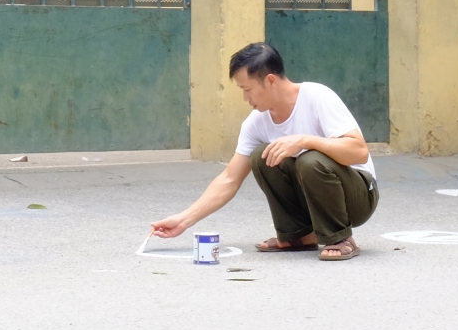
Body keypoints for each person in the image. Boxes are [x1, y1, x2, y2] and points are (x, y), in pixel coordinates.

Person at [148, 43, 377, 262]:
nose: (245, 98)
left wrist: (306, 140)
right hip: (315, 196)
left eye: (247, 89)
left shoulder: (317, 97)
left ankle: (341, 238)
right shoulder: (256, 123)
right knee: (262, 155)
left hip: (358, 197)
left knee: (310, 159)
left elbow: (359, 152)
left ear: (270, 81)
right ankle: (298, 235)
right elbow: (229, 178)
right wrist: (184, 219)